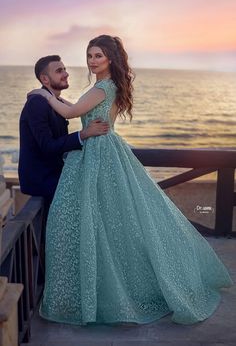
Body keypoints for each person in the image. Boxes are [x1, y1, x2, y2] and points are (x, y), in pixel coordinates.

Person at [29, 35, 233, 326]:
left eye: (98, 55)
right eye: (89, 55)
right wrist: (58, 98)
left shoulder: (101, 87)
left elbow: (72, 112)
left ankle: (103, 290)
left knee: (94, 220)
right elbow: (80, 109)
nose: (92, 61)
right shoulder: (109, 86)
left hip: (97, 153)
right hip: (103, 149)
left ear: (110, 58)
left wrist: (44, 94)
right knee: (109, 222)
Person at [18, 55, 109, 211]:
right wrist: (84, 134)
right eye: (59, 71)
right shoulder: (37, 103)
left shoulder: (55, 102)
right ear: (45, 79)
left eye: (65, 69)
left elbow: (74, 111)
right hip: (42, 179)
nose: (66, 74)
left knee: (98, 186)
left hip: (55, 174)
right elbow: (48, 146)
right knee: (90, 197)